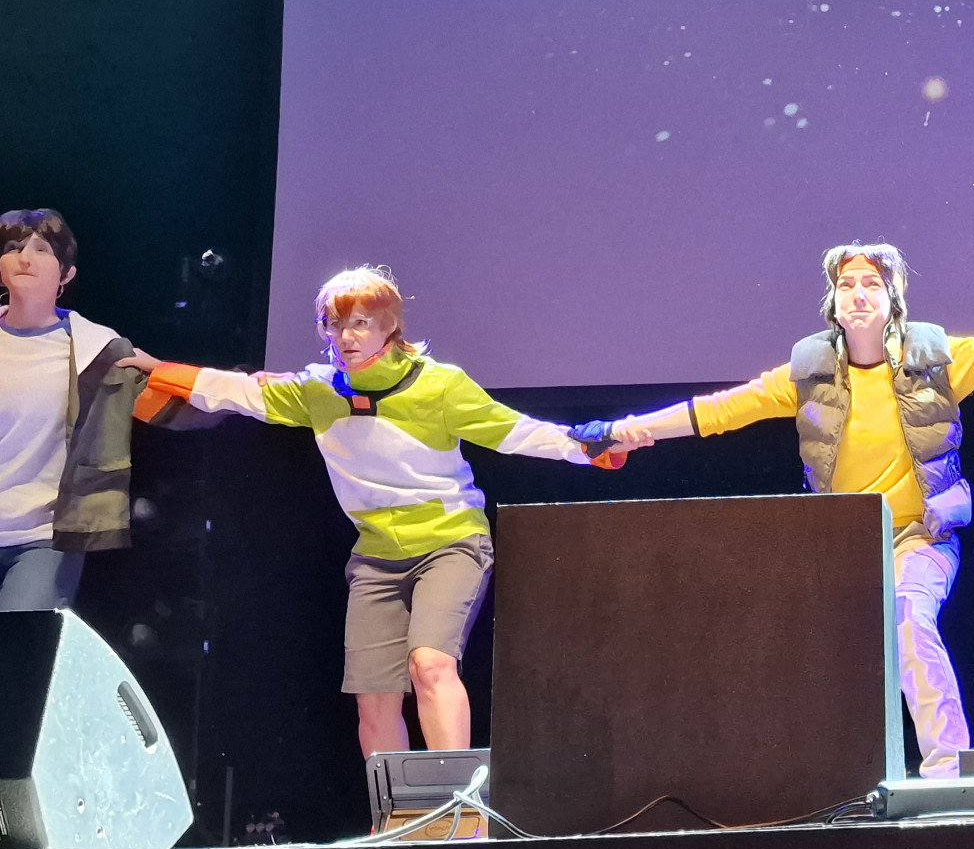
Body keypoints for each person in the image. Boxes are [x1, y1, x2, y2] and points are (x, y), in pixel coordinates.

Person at [607, 242, 974, 778]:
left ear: (894, 298)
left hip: (920, 538)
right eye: (846, 284)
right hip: (843, 547)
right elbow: (718, 411)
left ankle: (948, 772)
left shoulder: (939, 360)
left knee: (908, 614)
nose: (857, 294)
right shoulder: (808, 377)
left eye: (872, 284)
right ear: (831, 300)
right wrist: (625, 431)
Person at [122, 266, 625, 760]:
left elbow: (515, 431)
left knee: (430, 665)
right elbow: (239, 392)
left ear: (390, 325)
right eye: (334, 324)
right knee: (375, 699)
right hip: (376, 558)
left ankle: (457, 800)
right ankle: (394, 810)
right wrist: (158, 371)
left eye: (360, 322)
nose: (346, 336)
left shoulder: (439, 385)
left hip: (451, 544)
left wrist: (587, 449)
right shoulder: (318, 390)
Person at [0, 209, 149, 611]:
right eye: (13, 248)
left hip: (42, 537)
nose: (24, 258)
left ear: (66, 274)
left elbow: (167, 405)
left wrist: (235, 387)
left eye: (41, 250)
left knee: (22, 640)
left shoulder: (97, 349)